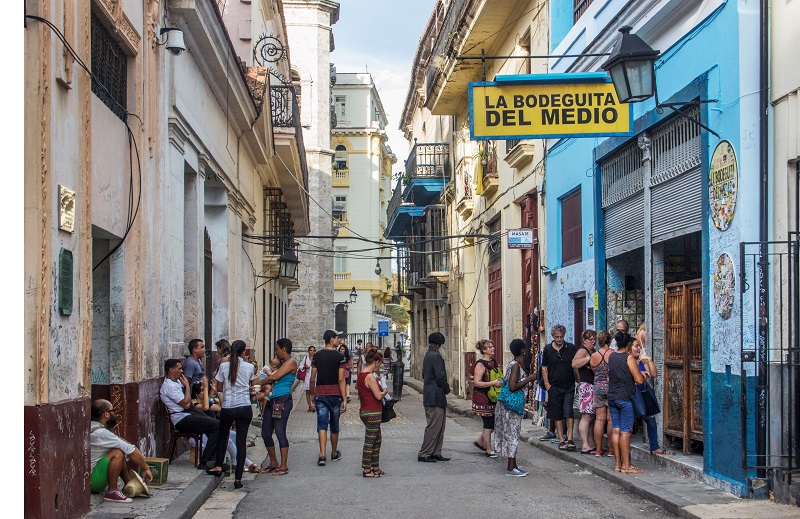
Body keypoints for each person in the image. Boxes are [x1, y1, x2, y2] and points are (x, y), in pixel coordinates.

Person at [191, 378, 263, 473]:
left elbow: (221, 408)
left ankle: (235, 463)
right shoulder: (194, 403)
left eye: (205, 389)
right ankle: (249, 464)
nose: (205, 391)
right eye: (202, 390)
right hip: (201, 435)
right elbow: (205, 407)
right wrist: (206, 391)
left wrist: (218, 392)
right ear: (197, 393)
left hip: (213, 432)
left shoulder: (208, 401)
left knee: (235, 436)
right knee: (227, 440)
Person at [160, 358, 221, 469]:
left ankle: (214, 459)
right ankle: (205, 461)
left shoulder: (177, 381)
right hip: (181, 419)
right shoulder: (169, 386)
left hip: (189, 414)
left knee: (213, 418)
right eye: (179, 369)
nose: (182, 371)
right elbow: (186, 404)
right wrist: (187, 386)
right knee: (216, 426)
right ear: (171, 370)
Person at [89, 399, 153, 503]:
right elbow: (132, 450)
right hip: (92, 482)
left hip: (89, 477)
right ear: (106, 414)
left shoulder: (92, 426)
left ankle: (129, 484)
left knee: (118, 451)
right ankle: (112, 492)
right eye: (112, 410)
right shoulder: (101, 433)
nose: (114, 413)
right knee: (118, 453)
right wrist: (146, 468)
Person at [212, 339, 256, 488]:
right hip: (244, 407)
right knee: (241, 442)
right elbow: (249, 385)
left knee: (223, 436)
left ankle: (218, 466)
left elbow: (218, 387)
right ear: (244, 352)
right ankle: (238, 479)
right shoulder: (250, 367)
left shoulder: (224, 366)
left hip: (228, 407)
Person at [494, 339, 537, 476]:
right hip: (510, 406)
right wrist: (529, 379)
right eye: (526, 348)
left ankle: (513, 465)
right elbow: (512, 386)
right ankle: (511, 468)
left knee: (512, 434)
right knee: (512, 434)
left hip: (508, 405)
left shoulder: (514, 364)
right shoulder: (516, 366)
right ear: (523, 350)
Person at [607, 331, 645, 474]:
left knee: (616, 430)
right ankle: (626, 465)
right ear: (628, 344)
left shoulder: (612, 356)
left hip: (612, 397)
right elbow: (639, 380)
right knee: (626, 432)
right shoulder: (628, 358)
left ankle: (618, 464)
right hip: (624, 398)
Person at [631, 327, 673, 455]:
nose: (638, 348)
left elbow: (654, 374)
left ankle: (654, 446)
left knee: (650, 419)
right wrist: (638, 373)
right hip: (633, 395)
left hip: (644, 394)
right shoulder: (628, 360)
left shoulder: (642, 360)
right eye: (635, 346)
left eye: (638, 346)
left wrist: (648, 360)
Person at [260, 338, 297, 476]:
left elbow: (273, 378)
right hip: (272, 398)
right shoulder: (281, 364)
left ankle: (283, 465)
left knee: (280, 431)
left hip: (282, 399)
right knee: (265, 432)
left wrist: (258, 382)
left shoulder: (291, 363)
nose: (276, 352)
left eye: (277, 349)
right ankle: (273, 461)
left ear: (284, 349)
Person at [310, 330, 347, 466]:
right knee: (334, 425)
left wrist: (313, 396)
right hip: (335, 395)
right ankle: (334, 451)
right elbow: (341, 378)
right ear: (331, 340)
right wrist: (344, 398)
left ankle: (322, 455)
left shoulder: (317, 356)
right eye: (337, 338)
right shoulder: (340, 357)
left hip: (321, 394)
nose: (338, 341)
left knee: (322, 424)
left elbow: (312, 378)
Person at [541, 324, 578, 451]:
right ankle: (561, 439)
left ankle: (570, 438)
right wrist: (547, 384)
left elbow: (576, 364)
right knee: (556, 413)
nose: (559, 339)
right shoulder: (547, 349)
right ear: (553, 336)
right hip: (554, 386)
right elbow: (544, 367)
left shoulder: (571, 348)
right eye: (557, 337)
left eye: (561, 337)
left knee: (568, 411)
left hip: (568, 385)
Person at [417, 332, 451, 463]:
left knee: (440, 426)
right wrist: (447, 388)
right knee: (434, 426)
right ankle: (424, 453)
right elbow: (440, 376)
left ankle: (436, 452)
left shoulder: (428, 355)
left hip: (433, 395)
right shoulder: (436, 356)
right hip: (435, 396)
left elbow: (425, 375)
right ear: (438, 346)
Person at [358, 349, 388, 477]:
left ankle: (375, 467)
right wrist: (385, 390)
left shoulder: (361, 374)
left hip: (366, 410)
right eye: (379, 363)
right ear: (375, 362)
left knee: (377, 440)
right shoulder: (369, 376)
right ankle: (366, 469)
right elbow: (378, 396)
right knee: (370, 441)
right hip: (372, 412)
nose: (379, 366)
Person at [471, 339, 502, 458]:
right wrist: (493, 383)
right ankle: (488, 449)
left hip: (493, 396)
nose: (493, 348)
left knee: (494, 422)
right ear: (484, 350)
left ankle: (480, 440)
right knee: (488, 423)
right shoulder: (480, 364)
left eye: (493, 346)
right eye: (490, 347)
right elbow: (477, 382)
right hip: (483, 397)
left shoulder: (493, 361)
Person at [571, 329, 597, 454]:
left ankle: (591, 443)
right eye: (590, 339)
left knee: (591, 417)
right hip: (586, 386)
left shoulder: (593, 351)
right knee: (586, 417)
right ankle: (585, 445)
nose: (593, 341)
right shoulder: (583, 351)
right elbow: (574, 364)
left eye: (594, 339)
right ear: (584, 340)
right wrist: (588, 358)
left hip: (592, 385)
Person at [590, 331, 615, 457]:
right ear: (609, 340)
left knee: (599, 419)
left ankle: (598, 449)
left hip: (598, 388)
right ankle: (611, 449)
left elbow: (593, 370)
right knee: (610, 420)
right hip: (611, 388)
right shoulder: (612, 354)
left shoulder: (594, 356)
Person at [295, 346, 316, 411]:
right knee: (308, 391)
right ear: (308, 351)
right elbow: (300, 366)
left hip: (315, 376)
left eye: (313, 350)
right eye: (311, 350)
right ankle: (309, 406)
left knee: (314, 391)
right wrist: (305, 367)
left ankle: (313, 405)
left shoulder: (316, 358)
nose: (312, 352)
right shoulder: (306, 358)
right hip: (307, 376)